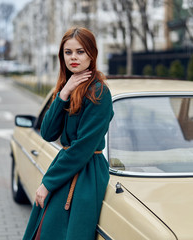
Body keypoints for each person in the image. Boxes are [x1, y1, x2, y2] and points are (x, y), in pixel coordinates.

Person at [23, 27, 114, 240]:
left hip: (86, 171)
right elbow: (47, 132)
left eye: (80, 52)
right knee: (46, 229)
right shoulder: (69, 87)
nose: (73, 57)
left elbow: (82, 148)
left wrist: (47, 183)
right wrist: (63, 93)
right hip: (68, 166)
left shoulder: (99, 92)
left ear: (92, 54)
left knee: (62, 232)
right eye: (68, 52)